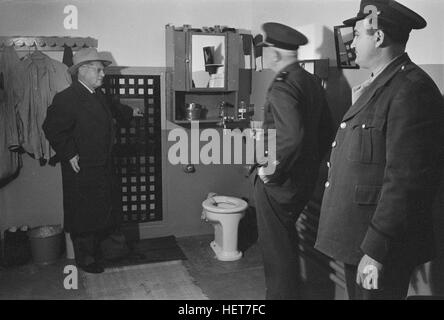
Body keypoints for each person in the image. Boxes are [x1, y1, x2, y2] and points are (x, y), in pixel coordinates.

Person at [315, 0, 444, 300]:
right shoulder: (379, 85)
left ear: (379, 37)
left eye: (357, 34)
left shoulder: (412, 90)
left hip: (376, 247)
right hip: (358, 239)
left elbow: (405, 182)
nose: (353, 43)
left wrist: (376, 251)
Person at [251, 22, 334, 299]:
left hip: (280, 184)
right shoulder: (310, 81)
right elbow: (326, 132)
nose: (264, 58)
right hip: (302, 181)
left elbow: (292, 136)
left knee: (277, 254)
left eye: (265, 52)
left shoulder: (282, 85)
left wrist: (269, 172)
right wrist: (307, 167)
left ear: (274, 54)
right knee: (285, 246)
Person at [42, 48, 144, 273]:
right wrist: (69, 153)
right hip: (82, 166)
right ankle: (85, 260)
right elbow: (52, 128)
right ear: (82, 71)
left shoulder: (98, 94)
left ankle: (113, 252)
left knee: (106, 209)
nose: (102, 74)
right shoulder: (67, 98)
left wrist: (131, 112)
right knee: (84, 214)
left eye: (102, 70)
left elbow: (114, 109)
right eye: (98, 70)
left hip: (103, 164)